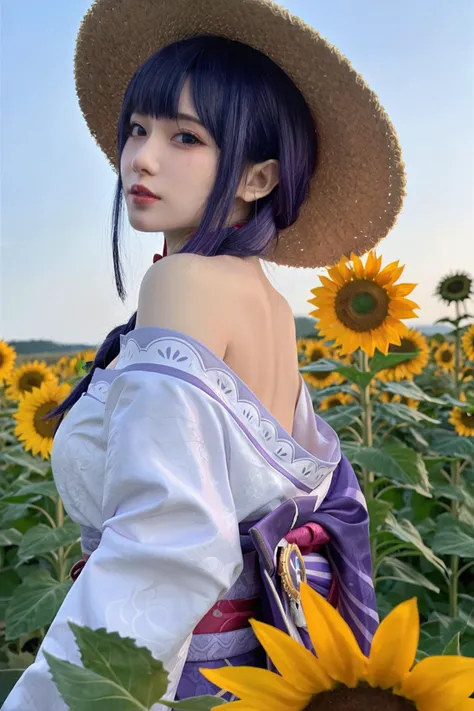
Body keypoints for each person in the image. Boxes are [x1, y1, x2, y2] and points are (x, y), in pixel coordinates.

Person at [3, 0, 405, 708]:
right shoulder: (269, 306)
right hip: (267, 671)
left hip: (183, 674)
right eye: (138, 129)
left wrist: (63, 694)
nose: (142, 157)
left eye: (185, 137)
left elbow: (170, 537)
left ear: (257, 178)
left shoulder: (183, 282)